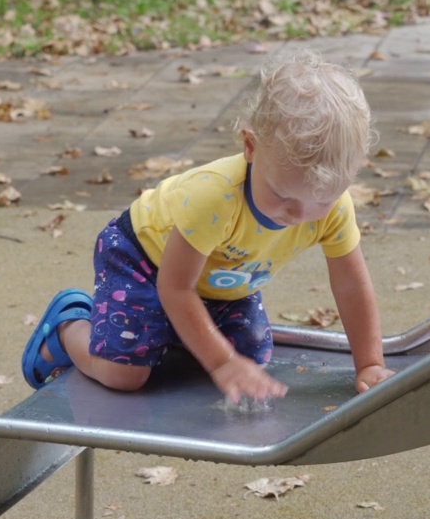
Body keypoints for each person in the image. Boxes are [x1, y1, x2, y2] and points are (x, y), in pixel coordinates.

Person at [22, 49, 395, 404]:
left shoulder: (332, 208)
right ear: (250, 146)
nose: (298, 215)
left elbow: (351, 283)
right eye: (282, 195)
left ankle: (165, 330)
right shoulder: (216, 198)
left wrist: (370, 363)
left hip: (219, 279)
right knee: (125, 376)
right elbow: (174, 286)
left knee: (252, 355)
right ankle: (67, 327)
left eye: (324, 200)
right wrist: (220, 362)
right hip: (141, 260)